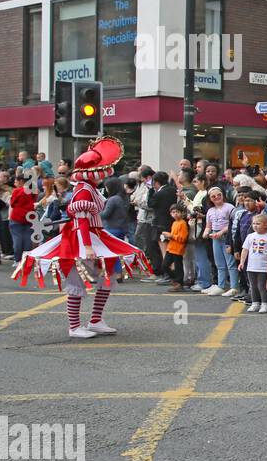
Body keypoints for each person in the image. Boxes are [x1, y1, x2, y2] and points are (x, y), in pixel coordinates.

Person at [15, 138, 150, 338]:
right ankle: (75, 326)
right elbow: (82, 220)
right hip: (79, 238)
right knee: (76, 281)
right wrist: (87, 246)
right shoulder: (84, 190)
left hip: (95, 235)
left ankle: (95, 320)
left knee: (107, 276)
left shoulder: (90, 188)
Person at [239, 213, 267, 313]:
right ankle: (255, 303)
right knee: (253, 285)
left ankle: (265, 304)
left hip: (263, 267)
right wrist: (242, 262)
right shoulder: (250, 236)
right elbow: (245, 250)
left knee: (261, 286)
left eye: (258, 223)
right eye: (254, 223)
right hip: (251, 266)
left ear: (265, 225)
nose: (255, 225)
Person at [160, 203, 190, 292]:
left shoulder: (183, 223)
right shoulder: (174, 223)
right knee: (164, 265)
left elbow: (182, 238)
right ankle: (176, 280)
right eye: (173, 212)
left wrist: (171, 236)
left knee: (178, 267)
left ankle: (179, 283)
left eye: (177, 212)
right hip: (171, 248)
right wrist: (168, 236)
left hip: (178, 248)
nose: (175, 214)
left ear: (182, 213)